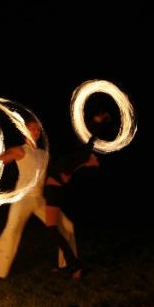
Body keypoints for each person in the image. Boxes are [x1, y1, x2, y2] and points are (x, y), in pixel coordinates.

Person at [0, 118, 77, 278]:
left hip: (40, 199)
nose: (35, 132)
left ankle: (67, 265)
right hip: (23, 198)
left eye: (37, 129)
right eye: (31, 129)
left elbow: (52, 174)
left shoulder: (44, 154)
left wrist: (67, 173)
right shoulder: (19, 150)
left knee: (67, 226)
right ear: (24, 131)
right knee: (12, 230)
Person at [44, 111, 110, 279]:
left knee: (52, 230)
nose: (96, 157)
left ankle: (74, 264)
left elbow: (88, 142)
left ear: (90, 163)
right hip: (54, 191)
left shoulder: (82, 158)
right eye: (96, 157)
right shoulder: (80, 161)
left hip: (53, 191)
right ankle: (57, 264)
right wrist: (96, 122)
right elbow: (88, 140)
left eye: (95, 159)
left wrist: (97, 122)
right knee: (55, 230)